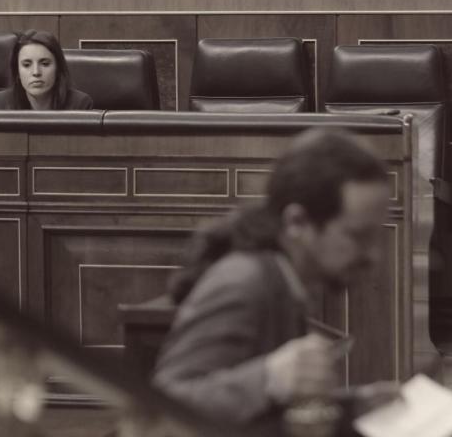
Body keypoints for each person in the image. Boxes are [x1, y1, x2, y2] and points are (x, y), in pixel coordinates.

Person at [153, 128, 399, 435]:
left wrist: (355, 407)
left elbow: (266, 414)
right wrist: (268, 376)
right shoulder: (243, 283)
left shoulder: (284, 278)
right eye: (358, 236)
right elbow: (159, 413)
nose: (373, 256)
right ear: (297, 222)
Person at [0, 30, 93, 110]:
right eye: (27, 65)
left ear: (58, 68)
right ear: (17, 71)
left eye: (45, 64)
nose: (36, 72)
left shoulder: (80, 105)